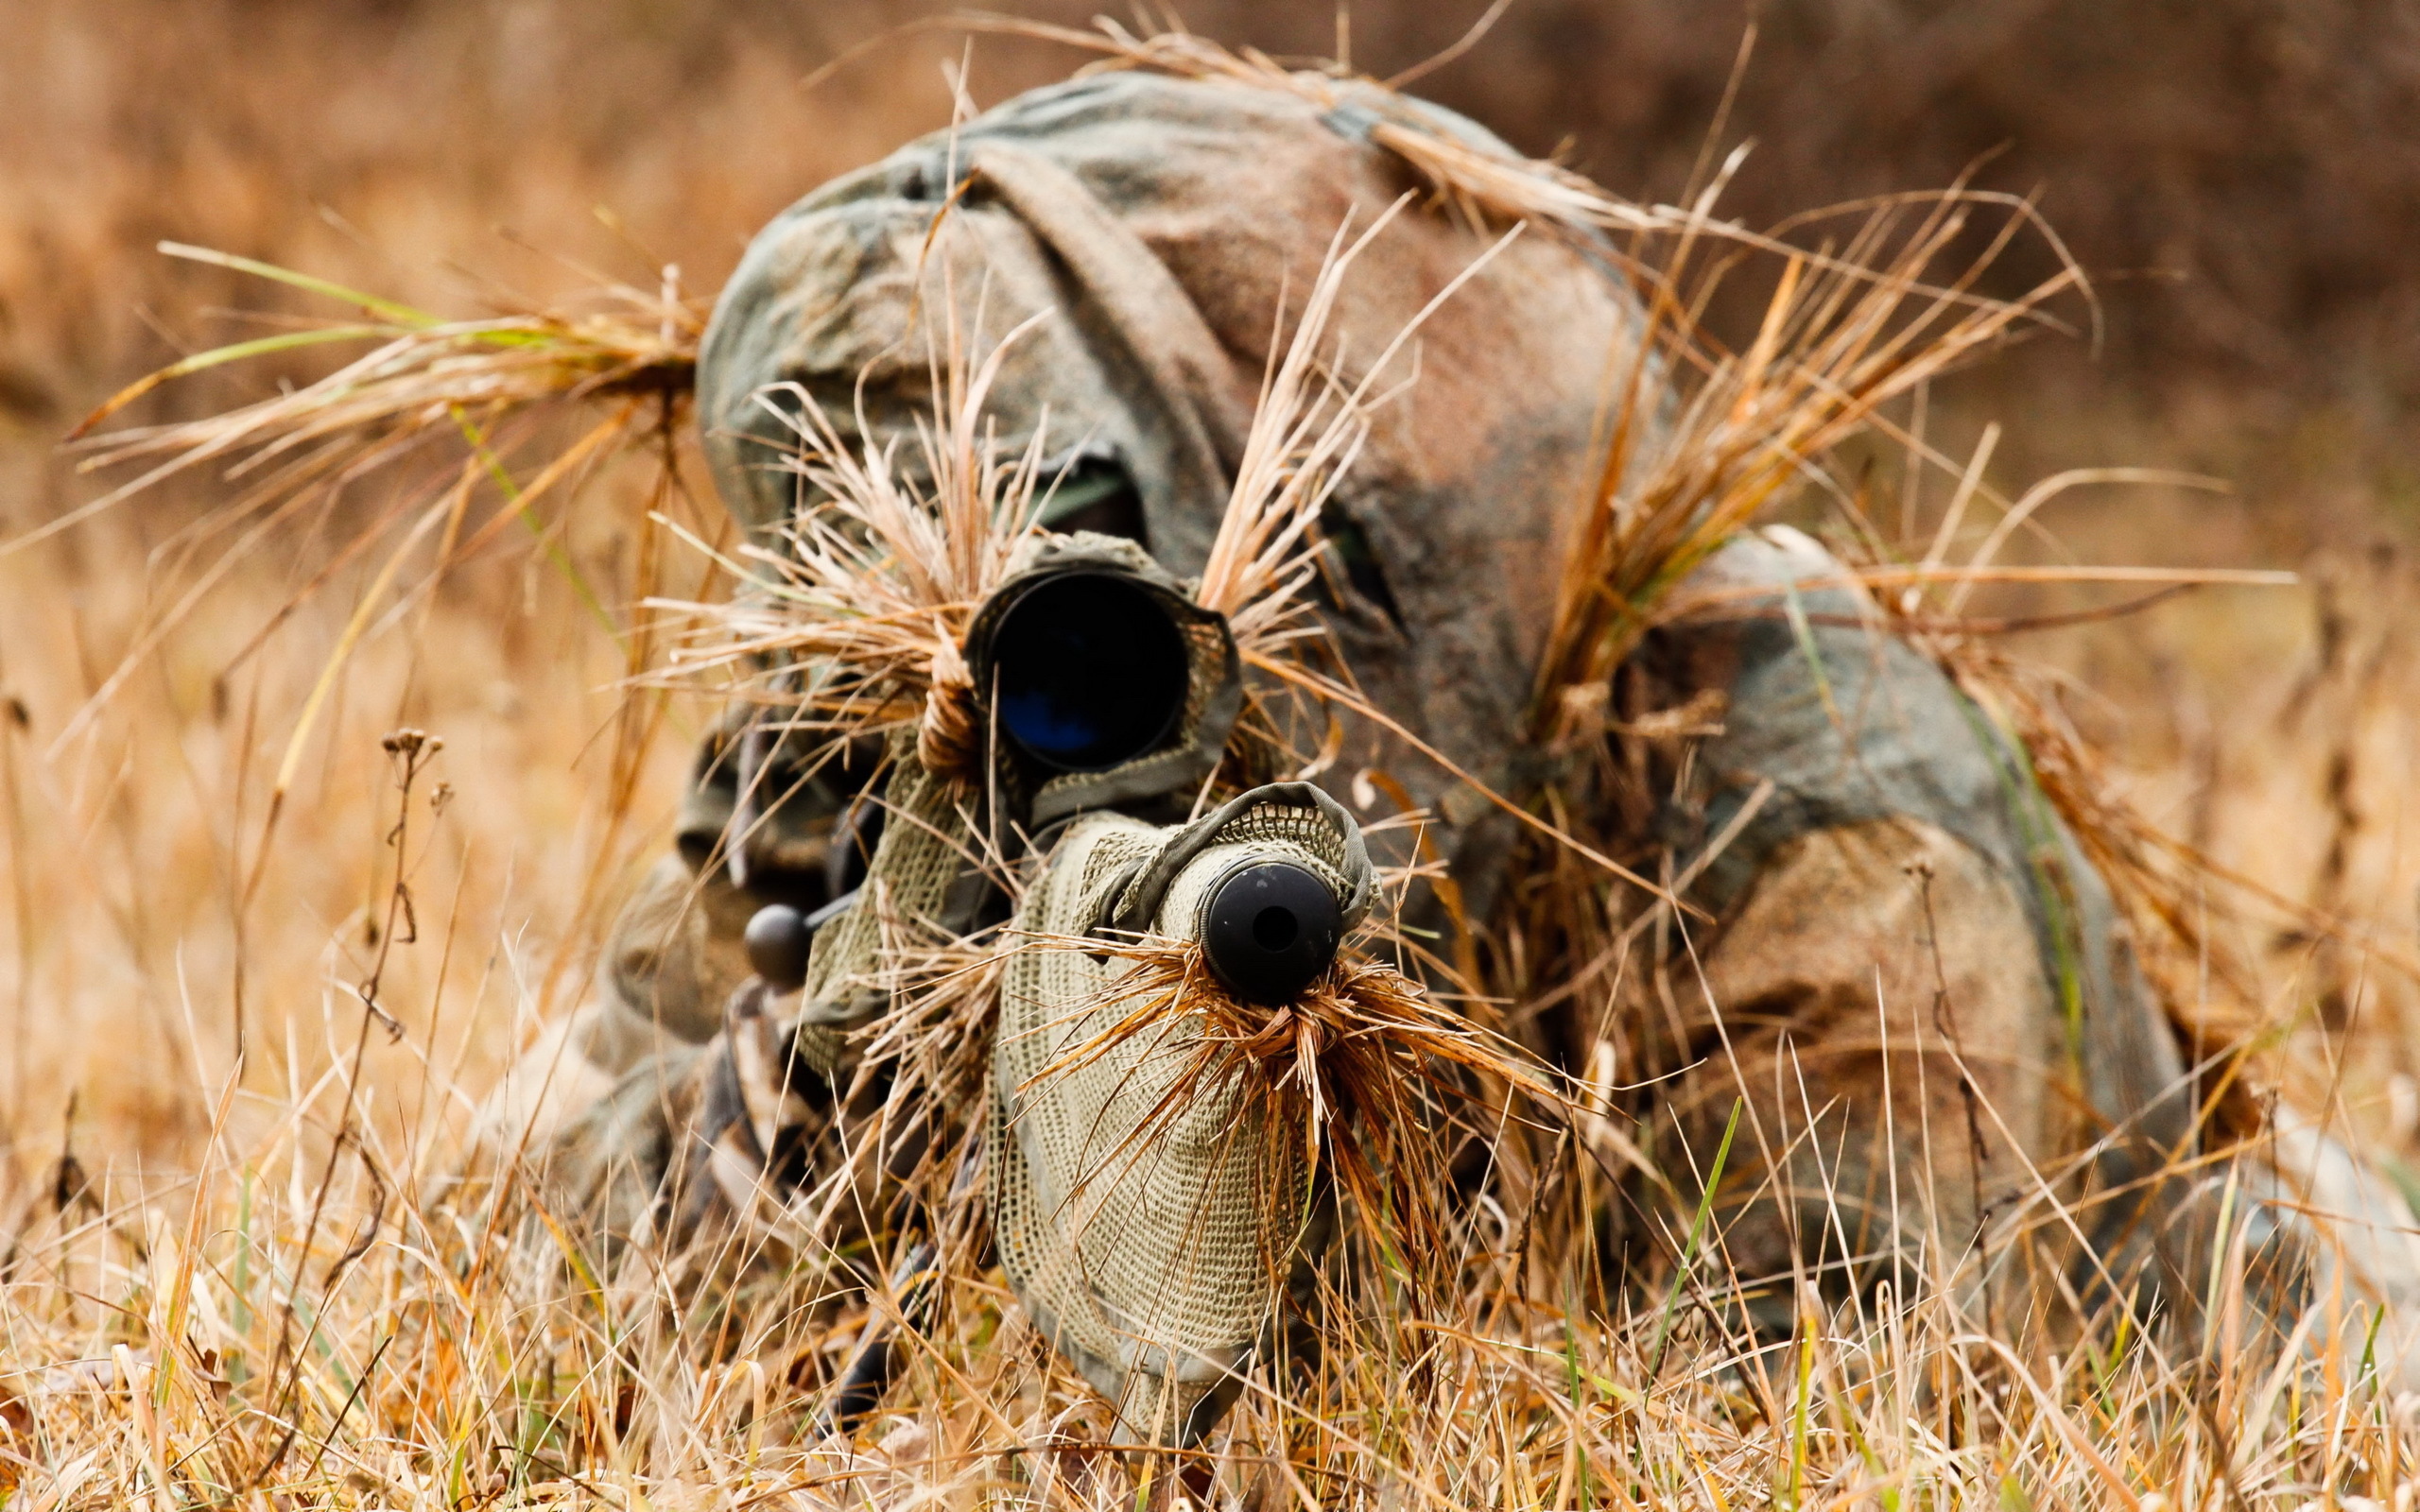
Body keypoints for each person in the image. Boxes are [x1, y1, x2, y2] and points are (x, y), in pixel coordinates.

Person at [477, 60, 2420, 1444]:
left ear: (1321, 569)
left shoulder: (1807, 803)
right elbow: (568, 1195)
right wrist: (812, 1135)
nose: (1016, 744)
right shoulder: (957, 727)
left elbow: (1827, 1417)